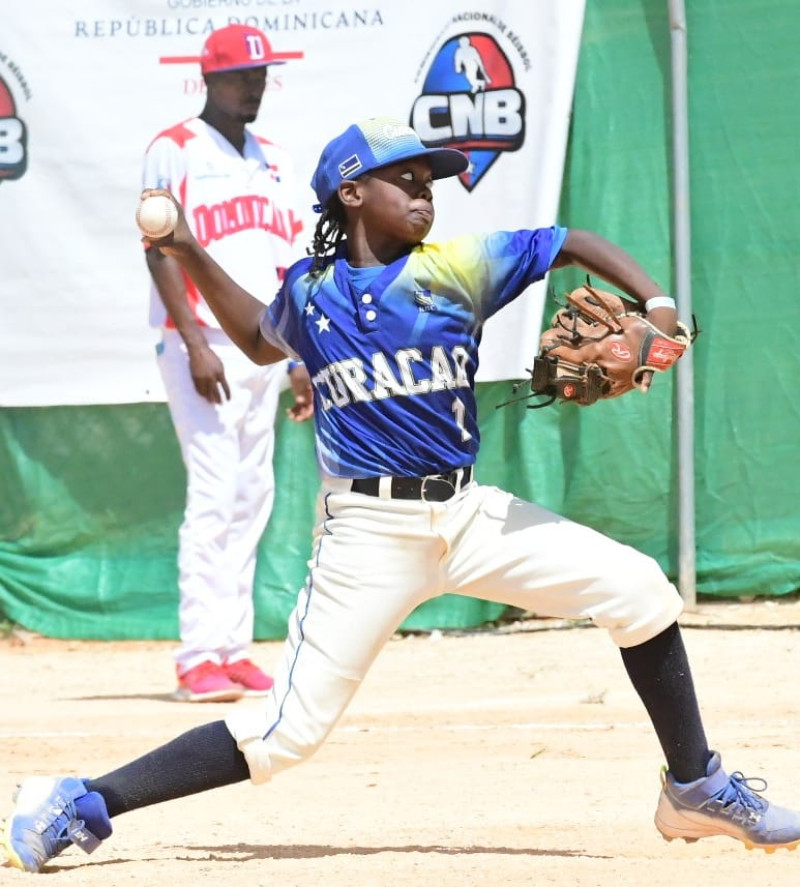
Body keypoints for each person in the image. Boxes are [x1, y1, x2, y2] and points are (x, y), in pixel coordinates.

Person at [3, 116, 800, 874]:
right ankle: (77, 800)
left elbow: (571, 243)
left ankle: (694, 787)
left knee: (641, 591)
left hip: (469, 513)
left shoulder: (457, 266)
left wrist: (656, 305)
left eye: (432, 182)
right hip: (367, 534)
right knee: (284, 735)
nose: (426, 193)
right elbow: (253, 335)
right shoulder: (312, 295)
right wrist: (184, 246)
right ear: (349, 193)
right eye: (406, 179)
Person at [142, 24, 313, 702]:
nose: (254, 85)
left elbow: (293, 258)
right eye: (241, 75)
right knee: (214, 493)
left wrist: (299, 357)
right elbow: (158, 246)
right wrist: (192, 341)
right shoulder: (175, 147)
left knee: (253, 495)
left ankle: (233, 646)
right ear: (209, 80)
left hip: (264, 344)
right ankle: (196, 655)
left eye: (261, 74)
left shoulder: (274, 156)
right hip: (204, 345)